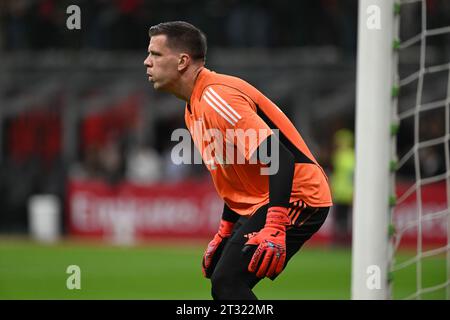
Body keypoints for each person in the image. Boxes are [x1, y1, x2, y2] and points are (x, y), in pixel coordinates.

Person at [143, 21, 332, 300]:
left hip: (298, 196)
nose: (146, 62)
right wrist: (225, 228)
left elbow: (279, 157)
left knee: (228, 283)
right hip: (264, 199)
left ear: (182, 61)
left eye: (155, 54)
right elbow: (236, 174)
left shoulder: (216, 97)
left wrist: (275, 225)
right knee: (223, 282)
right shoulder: (193, 108)